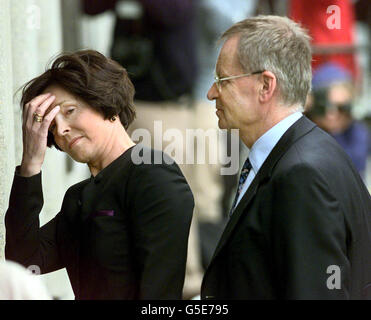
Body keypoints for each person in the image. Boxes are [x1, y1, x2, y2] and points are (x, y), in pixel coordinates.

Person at [201, 15, 371, 299]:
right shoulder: (310, 152)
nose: (211, 92)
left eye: (223, 80)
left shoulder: (302, 175)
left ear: (266, 86)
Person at [5, 50, 194, 300]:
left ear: (105, 101)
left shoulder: (153, 173)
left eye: (70, 111)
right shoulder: (78, 197)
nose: (61, 129)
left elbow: (160, 294)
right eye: (51, 126)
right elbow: (23, 261)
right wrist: (30, 164)